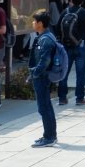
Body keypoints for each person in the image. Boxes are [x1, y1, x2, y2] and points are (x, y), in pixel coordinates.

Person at [29, 11, 58, 147]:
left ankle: (49, 137)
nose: (33, 23)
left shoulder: (45, 39)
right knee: (46, 106)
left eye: (34, 21)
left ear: (40, 23)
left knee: (44, 107)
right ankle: (50, 135)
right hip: (43, 76)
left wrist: (34, 73)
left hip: (42, 77)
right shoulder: (45, 36)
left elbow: (44, 61)